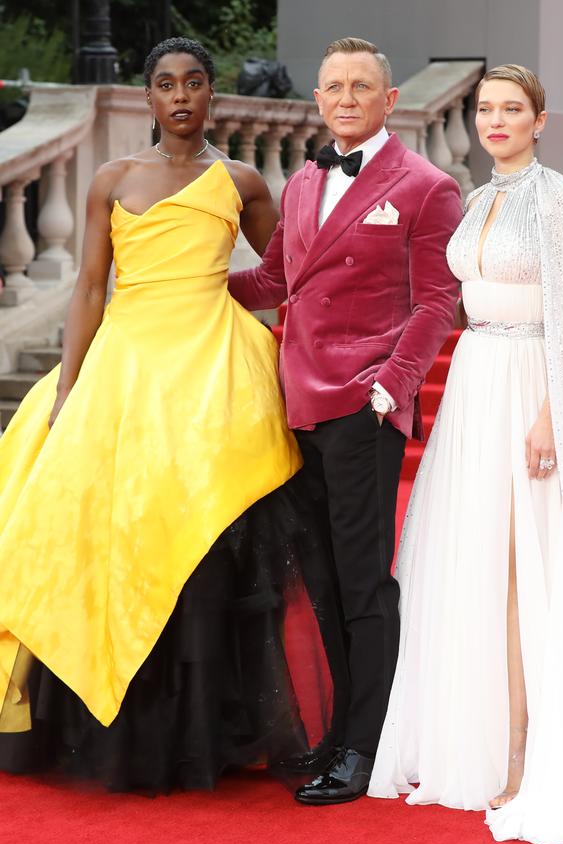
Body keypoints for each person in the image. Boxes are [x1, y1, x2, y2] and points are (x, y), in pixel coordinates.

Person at [0, 37, 347, 792]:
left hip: (215, 373)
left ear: (210, 94)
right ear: (150, 97)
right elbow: (89, 287)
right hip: (125, 371)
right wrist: (67, 392)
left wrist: (339, 339)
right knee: (107, 531)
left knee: (207, 537)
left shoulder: (244, 180)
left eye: (193, 82)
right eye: (165, 84)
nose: (180, 96)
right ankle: (104, 715)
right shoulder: (111, 178)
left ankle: (211, 726)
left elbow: (290, 275)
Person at [368, 64, 563, 844]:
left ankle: (528, 753)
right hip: (475, 384)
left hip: (532, 380)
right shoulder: (481, 196)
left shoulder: (558, 199)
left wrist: (552, 415)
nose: (494, 120)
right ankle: (482, 736)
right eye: (486, 108)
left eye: (510, 109)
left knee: (529, 568)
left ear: (540, 119)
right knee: (477, 559)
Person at [228, 37, 461, 805]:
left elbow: (436, 302)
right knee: (320, 577)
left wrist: (391, 386)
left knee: (363, 582)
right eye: (334, 87)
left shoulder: (426, 186)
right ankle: (341, 729)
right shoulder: (300, 183)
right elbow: (275, 278)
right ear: (319, 101)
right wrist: (182, 280)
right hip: (296, 405)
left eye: (363, 86)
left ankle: (367, 742)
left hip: (365, 406)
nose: (348, 97)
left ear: (390, 101)